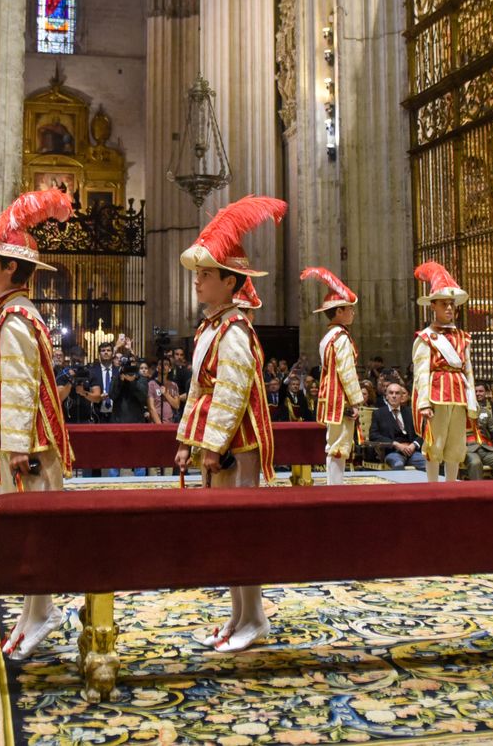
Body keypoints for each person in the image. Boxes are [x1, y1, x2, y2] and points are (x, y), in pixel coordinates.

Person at [173, 194, 283, 654]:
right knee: (226, 532)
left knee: (241, 531)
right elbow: (199, 390)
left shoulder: (235, 330)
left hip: (238, 445)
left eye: (206, 275)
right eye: (197, 274)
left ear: (230, 281)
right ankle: (237, 614)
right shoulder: (212, 328)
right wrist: (185, 441)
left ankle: (253, 616)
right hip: (219, 444)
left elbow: (232, 395)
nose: (197, 282)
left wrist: (214, 445)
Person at [0, 188, 78, 656]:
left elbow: (19, 384)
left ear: (10, 269)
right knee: (23, 531)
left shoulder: (16, 318)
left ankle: (40, 610)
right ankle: (34, 611)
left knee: (32, 528)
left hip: (30, 444)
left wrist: (17, 446)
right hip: (21, 437)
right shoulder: (11, 312)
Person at [412, 261, 475, 484]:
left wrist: (472, 401)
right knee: (434, 444)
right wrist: (424, 403)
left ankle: (451, 487)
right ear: (433, 307)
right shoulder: (426, 337)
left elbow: (468, 371)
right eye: (444, 304)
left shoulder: (463, 337)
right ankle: (432, 487)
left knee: (456, 446)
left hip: (458, 394)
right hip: (436, 394)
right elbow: (421, 372)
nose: (449, 308)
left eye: (452, 304)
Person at [301, 266, 363, 485]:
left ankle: (333, 484)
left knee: (335, 443)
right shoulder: (342, 338)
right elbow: (347, 372)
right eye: (349, 309)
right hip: (340, 398)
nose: (353, 313)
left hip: (330, 396)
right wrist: (356, 400)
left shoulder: (327, 337)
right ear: (338, 311)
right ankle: (335, 487)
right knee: (340, 445)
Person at [369, 380, 425, 469]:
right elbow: (373, 435)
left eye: (397, 393)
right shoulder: (379, 413)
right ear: (386, 396)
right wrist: (395, 444)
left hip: (412, 451)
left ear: (402, 396)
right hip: (393, 452)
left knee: (427, 463)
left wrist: (414, 445)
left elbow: (422, 433)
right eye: (391, 393)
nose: (394, 396)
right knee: (398, 464)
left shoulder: (410, 412)